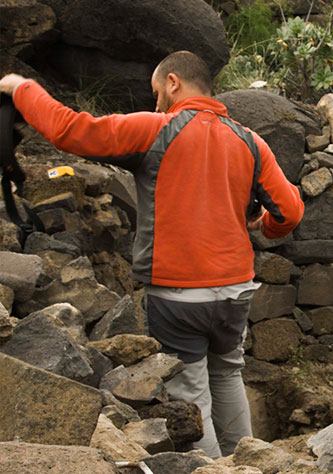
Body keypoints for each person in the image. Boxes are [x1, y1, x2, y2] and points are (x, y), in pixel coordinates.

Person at [0, 51, 304, 457]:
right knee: (229, 375)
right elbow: (290, 210)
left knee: (192, 391)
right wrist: (263, 226)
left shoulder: (156, 129)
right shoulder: (250, 141)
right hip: (235, 292)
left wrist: (21, 88)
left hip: (179, 297)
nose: (156, 101)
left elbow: (70, 130)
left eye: (157, 91)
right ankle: (252, 462)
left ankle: (213, 470)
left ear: (174, 82)